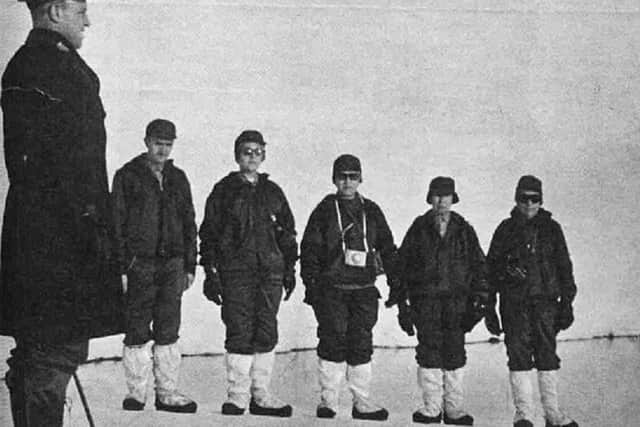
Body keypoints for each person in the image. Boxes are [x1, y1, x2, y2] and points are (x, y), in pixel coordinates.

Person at [1, 1, 122, 425]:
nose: (86, 20)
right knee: (53, 356)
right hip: (64, 244)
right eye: (79, 10)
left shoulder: (22, 65)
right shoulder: (63, 72)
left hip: (31, 238)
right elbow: (78, 172)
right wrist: (98, 241)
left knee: (35, 355)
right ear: (54, 11)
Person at [199, 130, 297, 418]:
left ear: (264, 155)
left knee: (266, 332)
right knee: (239, 331)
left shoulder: (273, 192)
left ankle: (261, 396)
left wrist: (289, 268)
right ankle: (237, 397)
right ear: (236, 155)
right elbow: (209, 234)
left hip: (269, 274)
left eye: (257, 151)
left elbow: (288, 233)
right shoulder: (224, 190)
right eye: (246, 151)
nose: (252, 157)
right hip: (236, 273)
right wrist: (210, 272)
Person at [300, 154, 402, 421]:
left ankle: (362, 401)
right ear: (334, 179)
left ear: (360, 179)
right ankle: (329, 400)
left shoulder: (372, 210)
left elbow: (388, 248)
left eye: (353, 176)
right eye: (342, 176)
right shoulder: (324, 210)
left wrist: (396, 283)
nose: (347, 182)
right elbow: (309, 249)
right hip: (332, 288)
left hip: (364, 288)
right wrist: (311, 285)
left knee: (361, 343)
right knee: (332, 341)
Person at [111, 119, 198, 413]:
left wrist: (190, 265)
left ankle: (167, 393)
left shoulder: (178, 178)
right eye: (158, 142)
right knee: (136, 328)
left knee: (168, 328)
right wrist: (123, 267)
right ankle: (137, 394)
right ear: (146, 141)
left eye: (168, 143)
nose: (162, 148)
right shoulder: (128, 176)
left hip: (173, 265)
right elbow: (116, 224)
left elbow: (189, 223)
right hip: (141, 265)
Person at [485, 175, 578, 427]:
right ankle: (524, 414)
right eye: (524, 199)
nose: (528, 204)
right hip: (514, 305)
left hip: (546, 303)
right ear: (516, 199)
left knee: (547, 354)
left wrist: (567, 302)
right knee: (518, 355)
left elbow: (564, 266)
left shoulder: (552, 229)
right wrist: (489, 308)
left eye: (534, 199)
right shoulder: (505, 230)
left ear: (541, 200)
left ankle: (552, 413)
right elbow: (490, 270)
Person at [395, 177, 488, 426]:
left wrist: (480, 301)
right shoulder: (418, 227)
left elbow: (479, 266)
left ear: (453, 199)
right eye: (436, 196)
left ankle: (454, 409)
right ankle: (432, 407)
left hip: (457, 303)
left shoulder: (464, 229)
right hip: (425, 302)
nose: (441, 201)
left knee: (455, 352)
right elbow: (402, 265)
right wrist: (402, 305)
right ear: (430, 198)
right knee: (428, 352)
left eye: (445, 196)